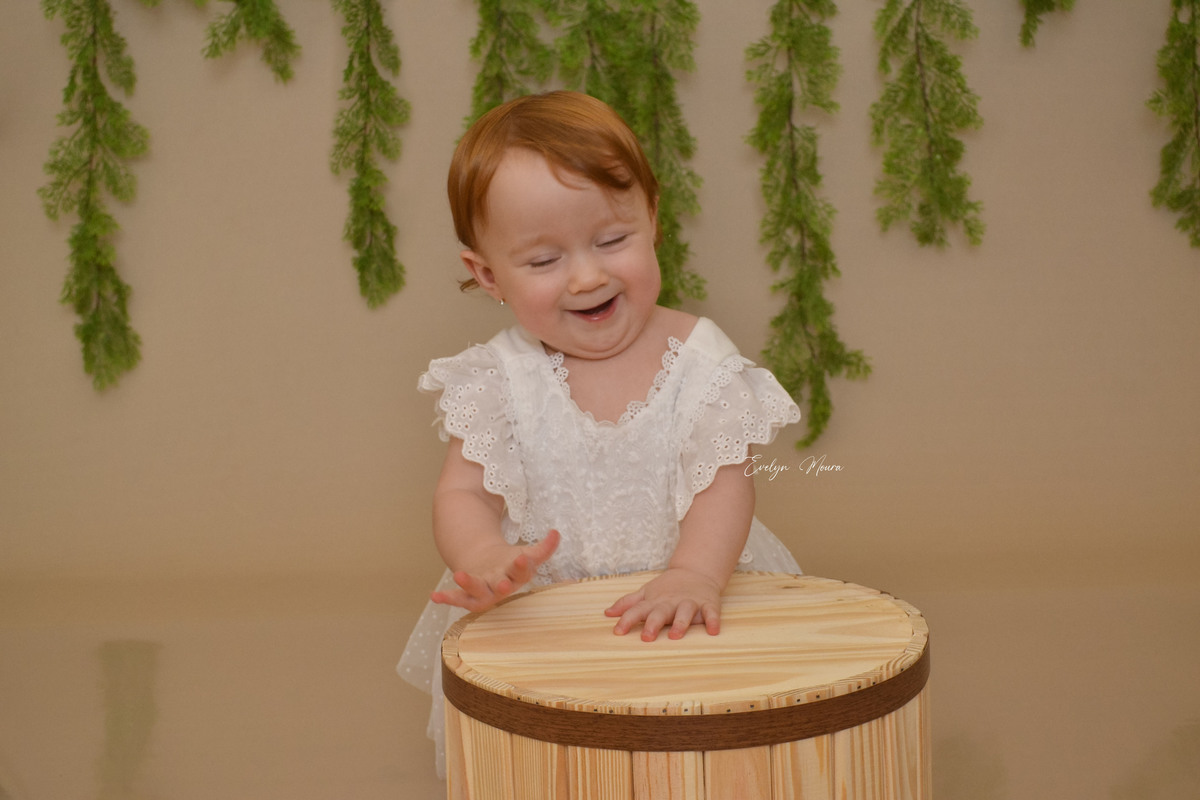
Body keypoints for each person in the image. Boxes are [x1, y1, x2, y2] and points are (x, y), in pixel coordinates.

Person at [396, 90, 803, 777]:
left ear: (653, 222)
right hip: (548, 614)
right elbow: (463, 492)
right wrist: (484, 552)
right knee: (550, 761)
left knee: (693, 754)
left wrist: (696, 574)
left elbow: (722, 488)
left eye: (612, 240)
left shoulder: (700, 360)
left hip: (680, 599)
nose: (587, 275)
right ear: (487, 274)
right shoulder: (500, 379)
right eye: (543, 260)